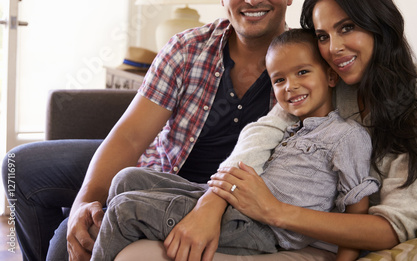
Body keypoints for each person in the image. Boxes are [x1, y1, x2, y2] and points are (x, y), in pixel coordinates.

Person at [0, 0, 417, 260]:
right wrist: (90, 198)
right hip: (177, 172)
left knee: (70, 240)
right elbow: (129, 138)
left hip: (254, 202)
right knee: (21, 167)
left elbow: (398, 71)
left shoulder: (313, 64)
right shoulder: (193, 47)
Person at [205, 0, 417, 255]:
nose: (334, 49)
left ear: (380, 25)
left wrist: (275, 211)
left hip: (306, 239)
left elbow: (391, 228)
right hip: (259, 221)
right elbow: (265, 130)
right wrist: (212, 202)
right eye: (322, 36)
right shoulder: (335, 81)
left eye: (347, 27)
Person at [90, 29, 380, 261]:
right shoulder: (285, 124)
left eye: (302, 72)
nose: (290, 86)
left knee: (122, 210)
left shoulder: (347, 135)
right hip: (231, 201)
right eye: (279, 79)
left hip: (258, 228)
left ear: (330, 76)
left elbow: (357, 209)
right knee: (126, 178)